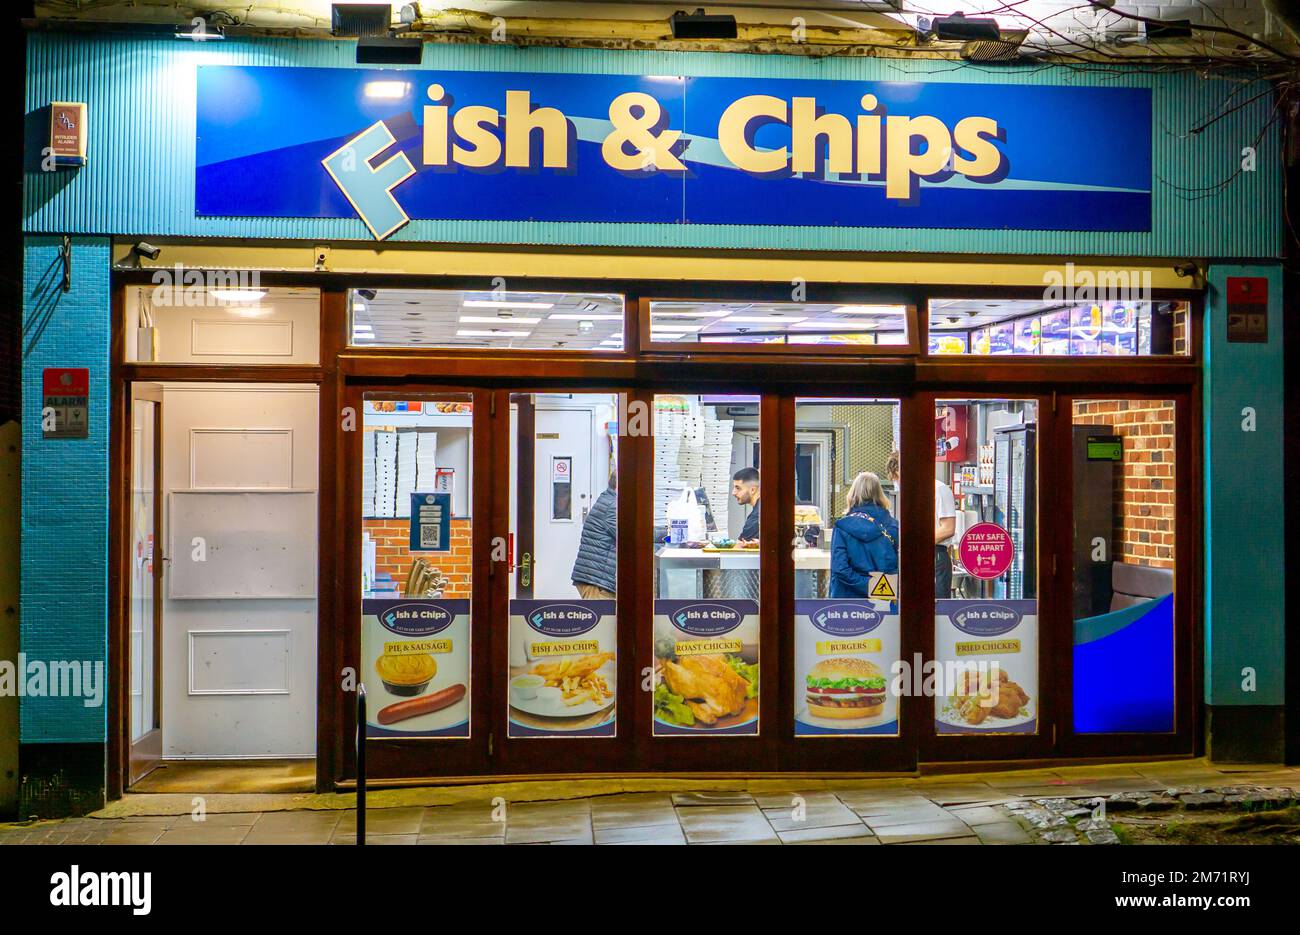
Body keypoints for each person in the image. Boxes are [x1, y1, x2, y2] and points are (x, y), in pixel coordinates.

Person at [887, 448, 958, 599]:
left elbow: (948, 528)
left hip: (934, 555)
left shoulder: (938, 489)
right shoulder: (915, 493)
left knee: (936, 608)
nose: (898, 483)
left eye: (898, 478)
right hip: (915, 556)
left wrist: (916, 543)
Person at [829, 472, 899, 598]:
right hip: (883, 595)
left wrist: (867, 585)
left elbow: (840, 568)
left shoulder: (842, 526)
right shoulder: (893, 526)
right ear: (879, 493)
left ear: (853, 493)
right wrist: (877, 587)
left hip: (846, 599)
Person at [571, 472, 617, 599]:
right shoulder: (613, 506)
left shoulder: (608, 500)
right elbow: (632, 536)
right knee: (602, 618)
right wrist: (668, 532)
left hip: (596, 578)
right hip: (597, 583)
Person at [731, 467, 760, 543]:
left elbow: (740, 548)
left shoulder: (757, 516)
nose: (733, 492)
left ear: (752, 490)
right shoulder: (761, 509)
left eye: (738, 488)